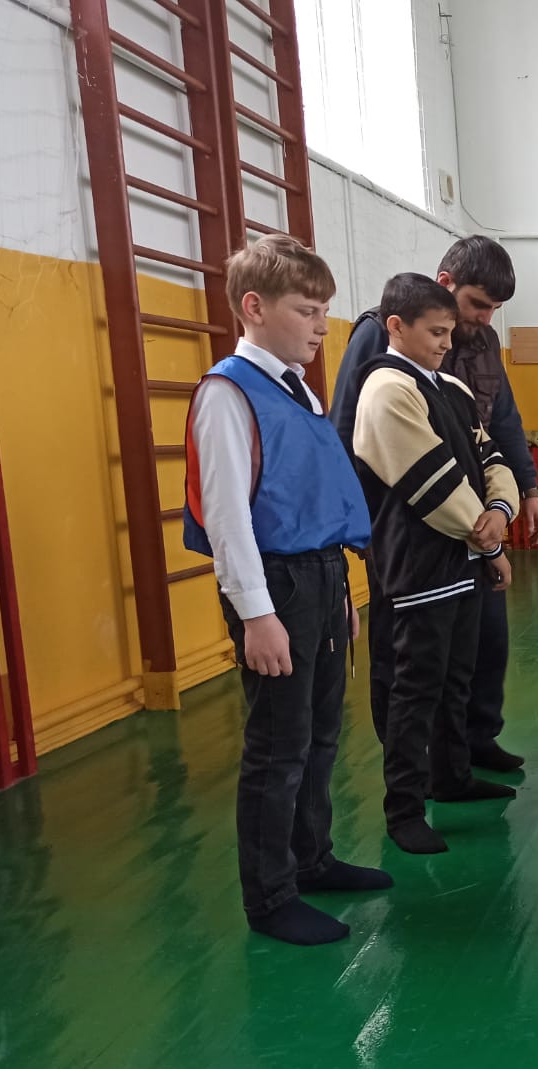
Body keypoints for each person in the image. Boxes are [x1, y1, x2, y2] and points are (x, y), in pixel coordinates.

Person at [182, 234, 388, 946]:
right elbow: (228, 518)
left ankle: (312, 858)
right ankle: (269, 897)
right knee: (278, 746)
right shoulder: (227, 393)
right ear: (254, 307)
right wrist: (256, 615)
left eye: (324, 310)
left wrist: (341, 595)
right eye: (306, 310)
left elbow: (312, 496)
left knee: (321, 733)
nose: (321, 325)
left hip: (319, 578)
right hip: (275, 586)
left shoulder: (296, 387)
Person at [331, 236, 538, 772]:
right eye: (478, 304)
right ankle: (412, 759)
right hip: (407, 532)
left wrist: (527, 489)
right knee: (408, 655)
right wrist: (358, 526)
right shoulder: (378, 333)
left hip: (475, 531)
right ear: (446, 284)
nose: (484, 318)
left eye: (494, 309)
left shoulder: (483, 342)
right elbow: (345, 428)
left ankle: (471, 743)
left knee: (482, 641)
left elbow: (501, 421)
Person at [351, 273, 521, 855]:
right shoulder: (385, 390)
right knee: (414, 688)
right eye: (435, 333)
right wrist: (490, 540)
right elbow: (432, 485)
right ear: (396, 327)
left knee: (456, 679)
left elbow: (491, 458)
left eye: (450, 332)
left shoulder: (450, 387)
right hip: (418, 568)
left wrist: (500, 510)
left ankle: (452, 775)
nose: (447, 344)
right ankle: (404, 807)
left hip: (463, 560)